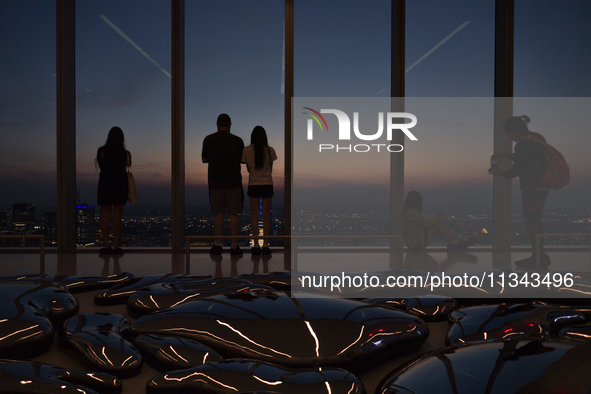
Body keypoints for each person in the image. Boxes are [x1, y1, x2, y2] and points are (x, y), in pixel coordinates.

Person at [488, 115, 551, 268]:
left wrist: (499, 172)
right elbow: (530, 158)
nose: (510, 138)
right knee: (536, 220)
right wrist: (505, 155)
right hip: (544, 184)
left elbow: (517, 169)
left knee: (532, 222)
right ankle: (539, 255)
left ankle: (537, 258)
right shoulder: (537, 137)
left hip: (531, 187)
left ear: (516, 131)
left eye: (509, 134)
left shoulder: (522, 144)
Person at [202, 114, 245, 255]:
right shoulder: (238, 141)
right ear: (230, 125)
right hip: (233, 181)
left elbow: (204, 159)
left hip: (215, 181)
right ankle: (233, 245)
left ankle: (218, 244)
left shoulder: (209, 139)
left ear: (217, 124)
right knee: (233, 213)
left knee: (218, 213)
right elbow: (242, 160)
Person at [242, 126, 277, 255]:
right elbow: (271, 169)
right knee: (266, 216)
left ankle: (256, 245)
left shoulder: (246, 150)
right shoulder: (270, 151)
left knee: (255, 216)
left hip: (254, 184)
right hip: (267, 183)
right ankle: (266, 244)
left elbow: (249, 169)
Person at [96, 126, 130, 255]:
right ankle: (116, 246)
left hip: (105, 185)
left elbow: (101, 166)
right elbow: (128, 165)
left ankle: (106, 246)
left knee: (105, 217)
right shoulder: (125, 153)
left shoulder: (102, 151)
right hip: (120, 185)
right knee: (117, 217)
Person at [403, 191, 474, 251]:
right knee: (438, 226)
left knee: (438, 226)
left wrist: (436, 219)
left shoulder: (409, 212)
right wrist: (438, 218)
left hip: (416, 242)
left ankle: (454, 242)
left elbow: (423, 224)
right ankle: (456, 241)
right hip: (417, 243)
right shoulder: (412, 212)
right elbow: (425, 224)